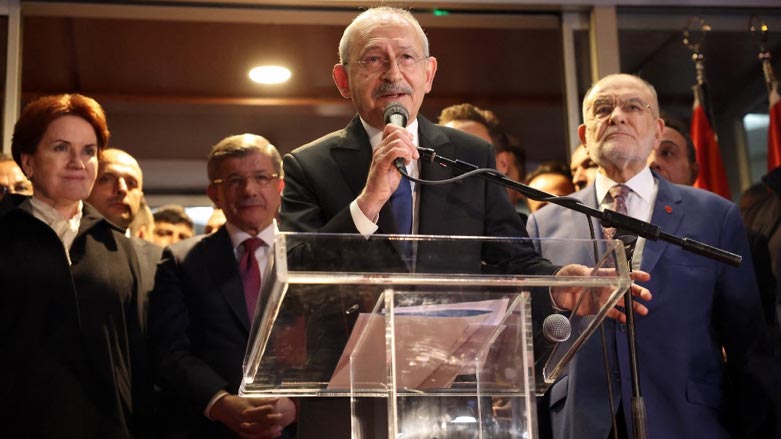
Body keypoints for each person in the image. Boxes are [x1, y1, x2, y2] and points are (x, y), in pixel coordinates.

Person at [279, 8, 650, 437]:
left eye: (407, 57)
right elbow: (299, 273)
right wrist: (368, 202)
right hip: (347, 397)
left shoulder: (470, 154)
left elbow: (513, 259)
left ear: (429, 73)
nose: (393, 73)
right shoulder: (308, 165)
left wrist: (559, 284)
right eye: (373, 59)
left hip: (453, 393)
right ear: (343, 80)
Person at [527, 73, 771, 439]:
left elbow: (748, 345)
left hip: (687, 421)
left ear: (657, 132)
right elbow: (532, 342)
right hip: (581, 423)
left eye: (632, 107)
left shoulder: (715, 216)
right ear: (584, 135)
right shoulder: (543, 222)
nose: (617, 116)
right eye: (603, 109)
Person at [0, 94, 147, 438]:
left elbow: (135, 356)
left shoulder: (119, 246)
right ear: (29, 161)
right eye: (61, 148)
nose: (78, 162)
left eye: (88, 151)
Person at [148, 134, 296, 439]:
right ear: (214, 194)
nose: (250, 190)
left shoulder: (310, 255)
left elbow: (332, 343)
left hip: (302, 427)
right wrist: (221, 403)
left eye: (261, 177)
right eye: (234, 181)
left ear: (280, 186)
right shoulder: (181, 261)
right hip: (212, 428)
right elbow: (170, 350)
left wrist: (297, 405)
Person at [438, 103, 528, 212]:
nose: (458, 161)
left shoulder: (529, 228)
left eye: (471, 150)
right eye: (448, 152)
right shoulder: (418, 222)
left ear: (503, 163)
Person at [647, 114, 699, 185]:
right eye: (645, 154)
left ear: (693, 173)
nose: (652, 162)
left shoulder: (711, 196)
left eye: (667, 153)